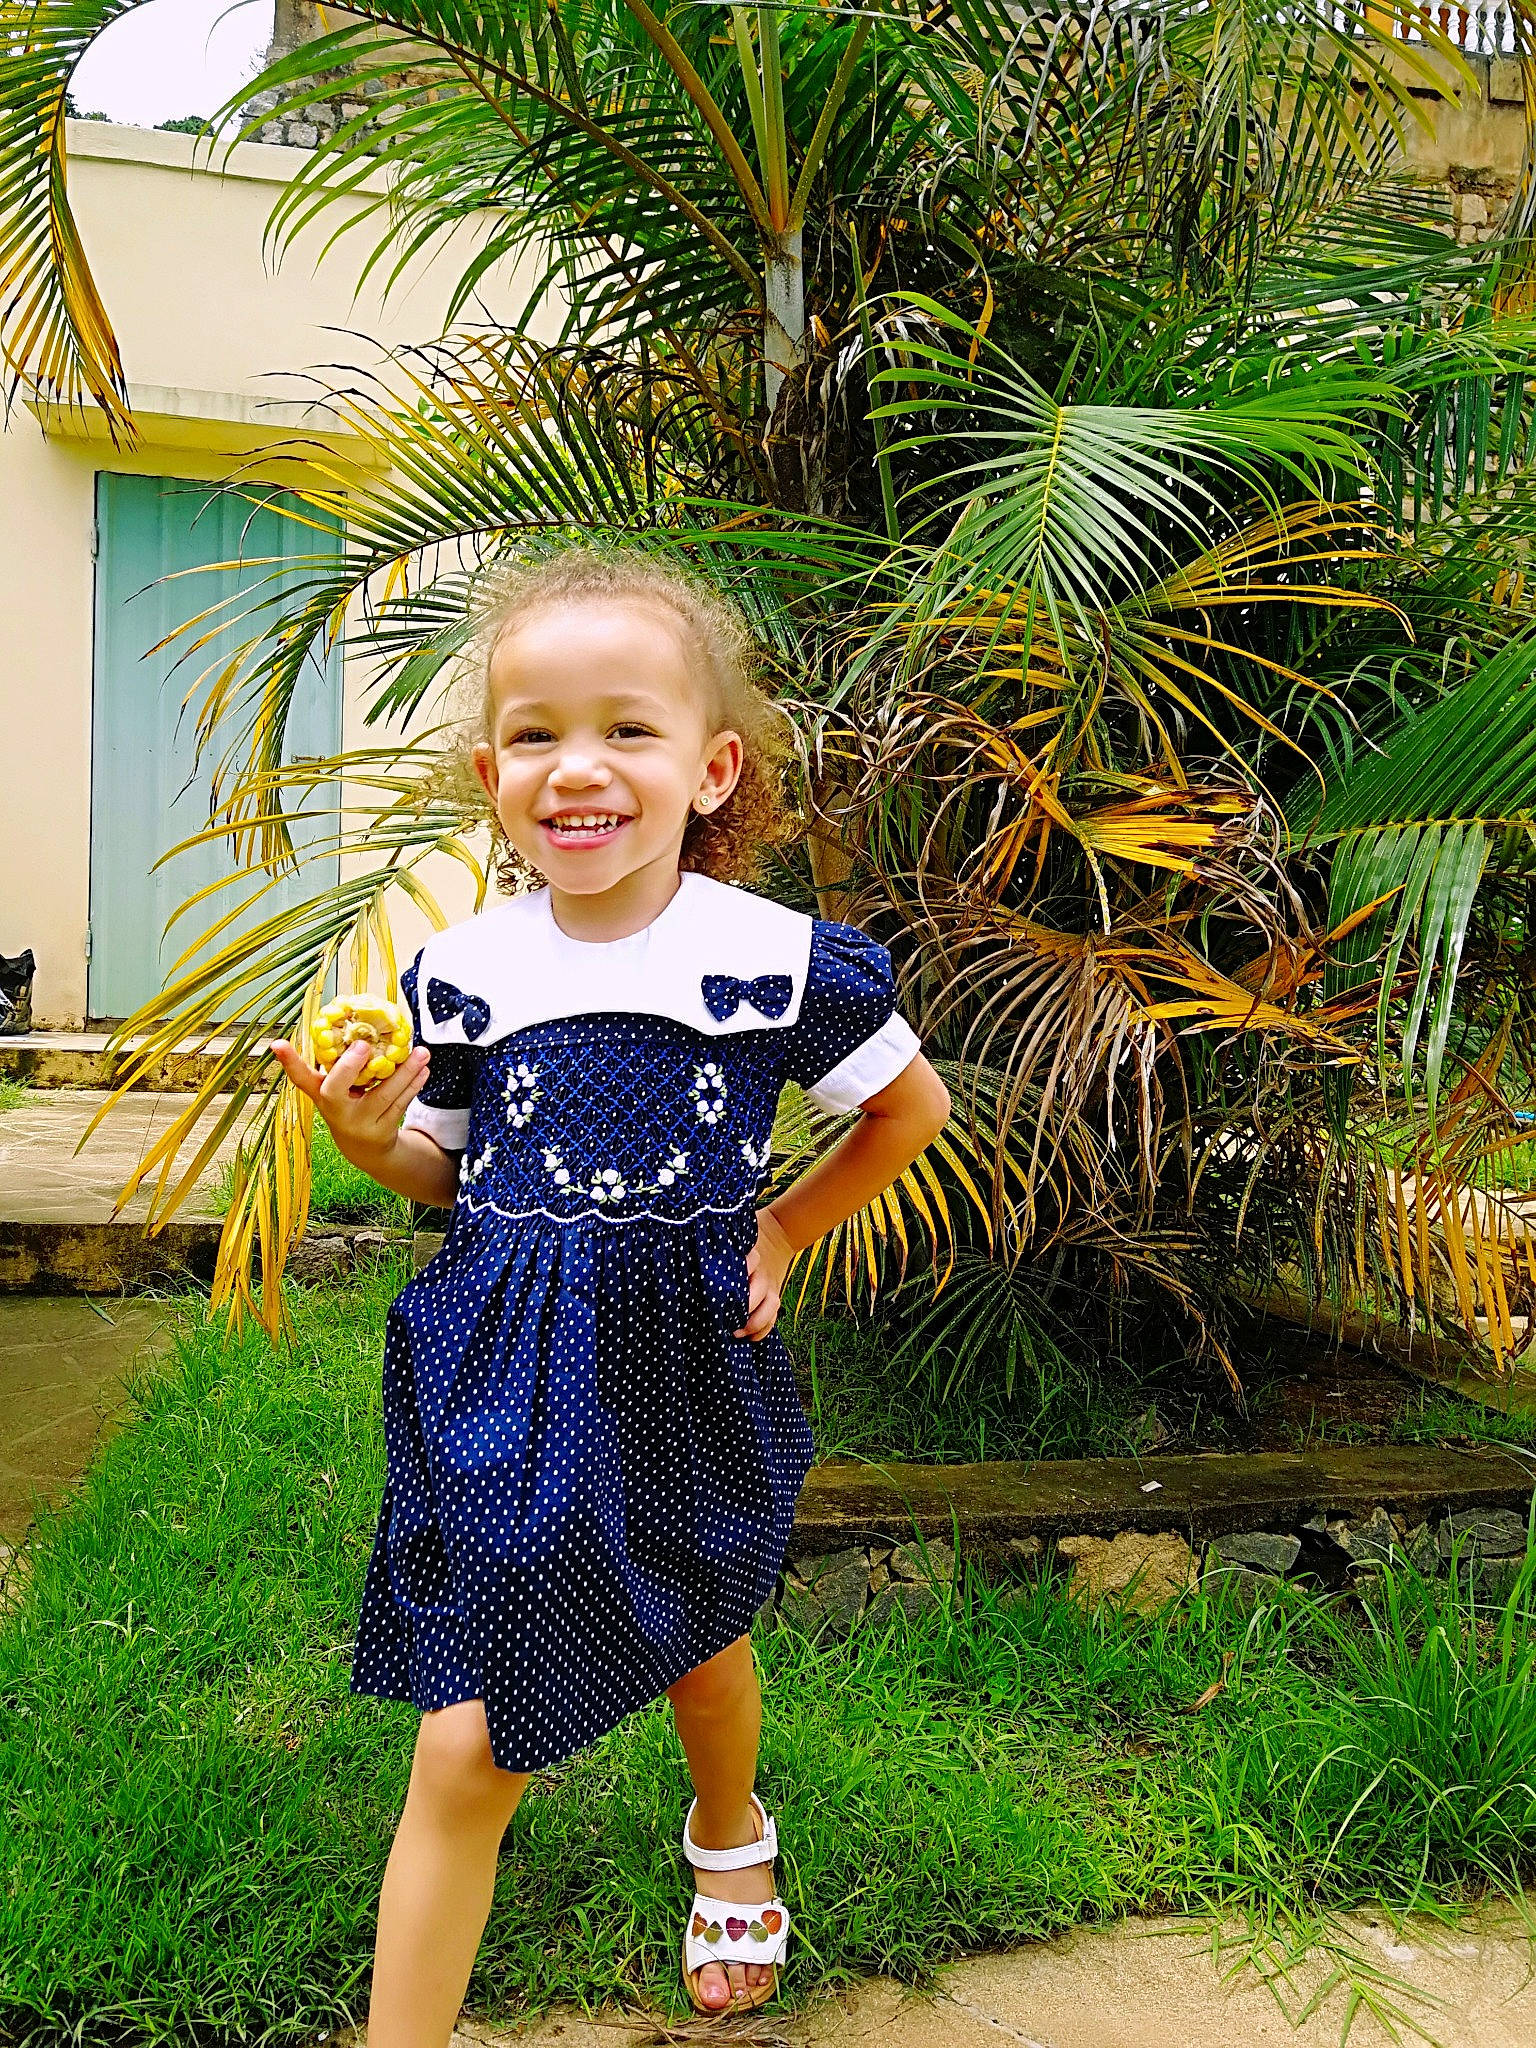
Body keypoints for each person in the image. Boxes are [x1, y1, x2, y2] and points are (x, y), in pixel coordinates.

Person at [272, 549, 951, 2043]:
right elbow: (459, 1174)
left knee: (702, 1636)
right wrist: (371, 1137)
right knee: (465, 1744)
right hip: (505, 1383)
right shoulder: (463, 973)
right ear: (489, 768)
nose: (578, 769)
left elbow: (912, 1113)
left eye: (627, 730)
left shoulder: (775, 963)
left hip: (689, 1363)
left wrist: (781, 1229)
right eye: (535, 733)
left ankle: (728, 1831)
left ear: (712, 769)